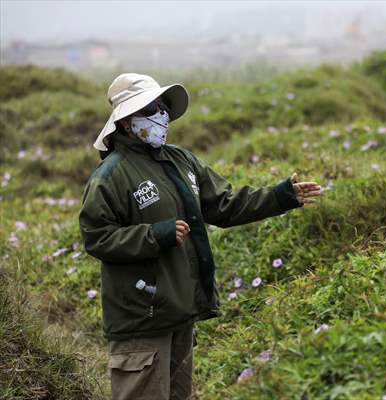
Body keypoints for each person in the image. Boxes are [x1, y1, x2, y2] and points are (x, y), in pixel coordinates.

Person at [79, 73, 321, 400]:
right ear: (125, 122)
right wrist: (154, 235)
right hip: (141, 317)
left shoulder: (181, 161)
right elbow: (97, 237)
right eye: (151, 108)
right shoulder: (111, 175)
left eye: (163, 106)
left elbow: (224, 204)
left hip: (179, 311)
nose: (162, 114)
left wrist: (280, 197)